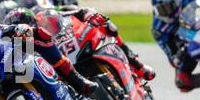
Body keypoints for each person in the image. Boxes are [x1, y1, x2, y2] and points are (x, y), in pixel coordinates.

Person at [13, 5, 156, 81]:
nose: (26, 32)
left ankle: (137, 64)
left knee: (108, 27)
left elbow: (77, 12)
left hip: (74, 47)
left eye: (28, 26)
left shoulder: (44, 17)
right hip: (63, 67)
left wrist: (89, 15)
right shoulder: (23, 53)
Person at [151, 0, 200, 92]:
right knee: (182, 81)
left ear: (177, 0)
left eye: (170, 6)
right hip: (187, 47)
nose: (167, 12)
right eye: (162, 9)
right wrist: (179, 54)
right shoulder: (158, 29)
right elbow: (172, 58)